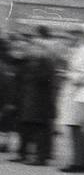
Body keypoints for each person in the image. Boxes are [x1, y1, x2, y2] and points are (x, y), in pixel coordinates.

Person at [12, 32, 60, 166]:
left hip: (40, 102)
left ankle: (41, 157)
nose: (31, 49)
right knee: (25, 128)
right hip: (28, 100)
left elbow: (45, 81)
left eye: (35, 47)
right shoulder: (29, 62)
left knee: (40, 131)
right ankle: (22, 153)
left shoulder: (46, 63)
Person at [58, 24, 84, 173]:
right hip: (73, 94)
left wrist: (69, 75)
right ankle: (81, 160)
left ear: (80, 37)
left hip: (81, 94)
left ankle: (81, 162)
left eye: (72, 36)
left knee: (79, 129)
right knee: (74, 128)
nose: (69, 39)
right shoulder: (74, 52)